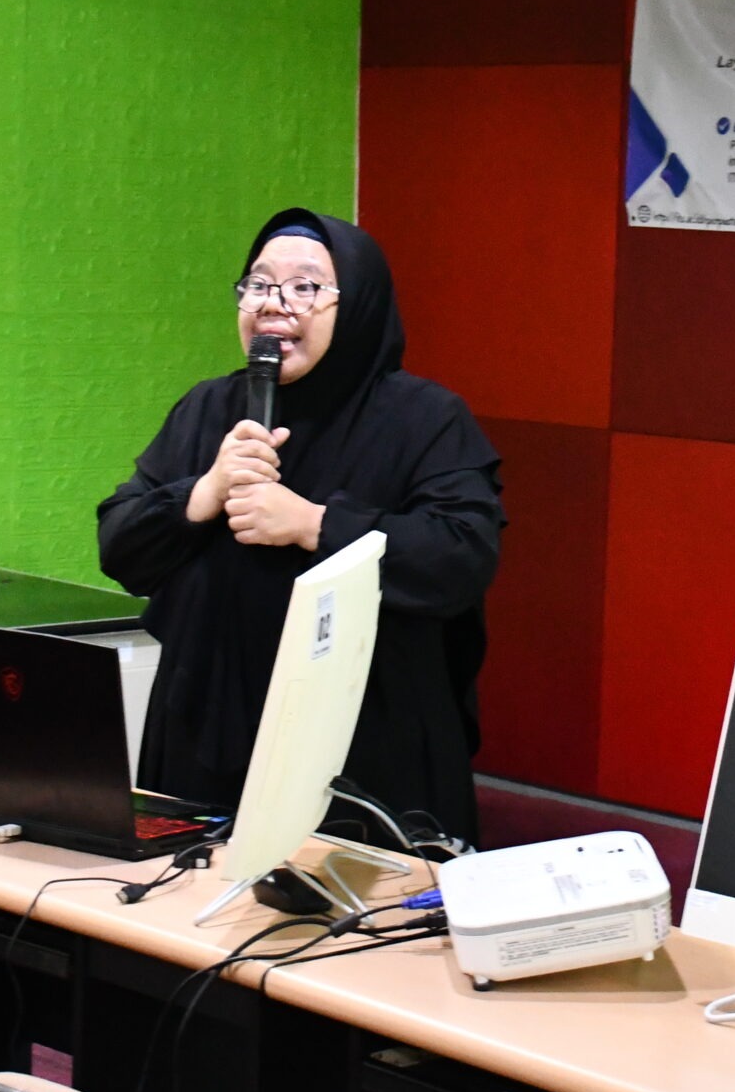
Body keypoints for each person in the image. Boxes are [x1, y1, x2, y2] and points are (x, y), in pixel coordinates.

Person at [97, 210, 502, 846]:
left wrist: (314, 524)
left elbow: (461, 554)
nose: (272, 304)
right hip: (205, 734)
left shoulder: (425, 419)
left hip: (365, 742)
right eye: (258, 285)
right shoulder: (209, 408)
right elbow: (119, 544)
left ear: (358, 305)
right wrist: (204, 493)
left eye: (305, 288)